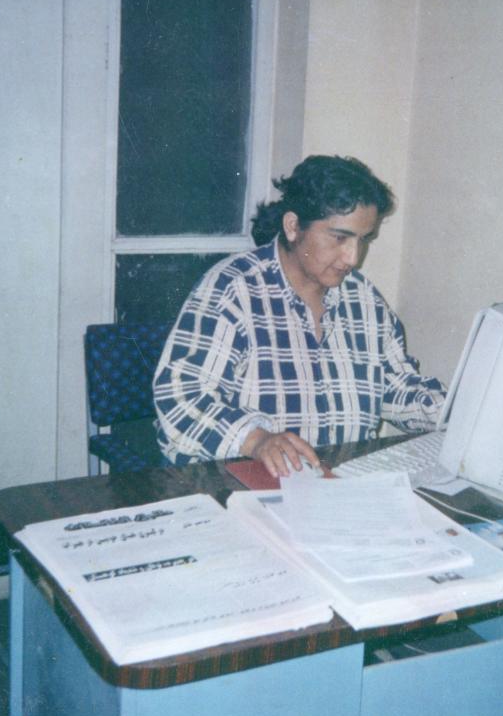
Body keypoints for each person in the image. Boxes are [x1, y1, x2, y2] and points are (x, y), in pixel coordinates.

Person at [153, 154, 446, 477]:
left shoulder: (363, 298)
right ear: (293, 226)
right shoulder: (232, 290)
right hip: (238, 483)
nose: (353, 258)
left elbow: (394, 386)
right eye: (339, 238)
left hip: (336, 487)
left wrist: (458, 412)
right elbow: (179, 398)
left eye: (363, 240)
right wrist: (257, 440)